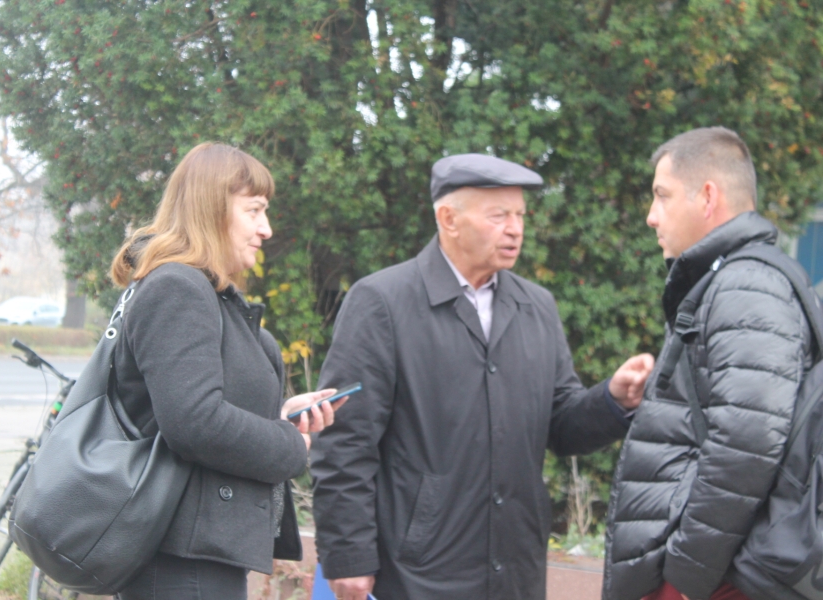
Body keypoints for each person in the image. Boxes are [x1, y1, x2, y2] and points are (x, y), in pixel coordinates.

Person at [310, 153, 656, 600]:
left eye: (520, 215)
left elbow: (560, 425)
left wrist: (612, 400)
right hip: (416, 573)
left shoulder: (537, 307)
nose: (515, 229)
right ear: (448, 219)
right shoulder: (382, 302)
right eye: (498, 216)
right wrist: (348, 554)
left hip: (515, 570)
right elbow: (345, 439)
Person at [107, 142, 345, 600]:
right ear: (211, 209)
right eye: (254, 211)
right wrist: (287, 444)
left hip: (196, 556)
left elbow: (200, 403)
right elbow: (194, 422)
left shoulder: (202, 292)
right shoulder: (177, 288)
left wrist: (281, 416)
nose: (266, 229)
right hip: (181, 564)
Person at [602, 127, 814, 600]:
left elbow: (748, 442)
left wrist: (685, 579)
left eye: (662, 195)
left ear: (708, 197)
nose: (651, 215)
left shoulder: (747, 286)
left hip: (718, 580)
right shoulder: (730, 282)